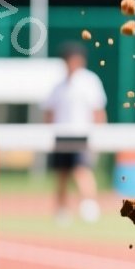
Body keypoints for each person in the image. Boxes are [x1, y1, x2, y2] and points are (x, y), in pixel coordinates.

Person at [43, 41, 105, 223]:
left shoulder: (89, 81)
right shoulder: (57, 85)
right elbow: (49, 112)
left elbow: (98, 111)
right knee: (61, 174)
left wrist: (99, 136)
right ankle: (62, 211)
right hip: (61, 136)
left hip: (82, 135)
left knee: (81, 170)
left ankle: (89, 207)